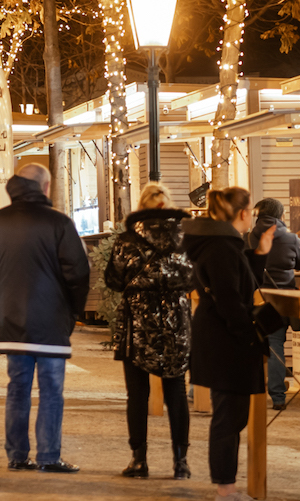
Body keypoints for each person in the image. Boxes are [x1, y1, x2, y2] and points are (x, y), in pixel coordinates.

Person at [0, 163, 90, 473]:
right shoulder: (59, 223)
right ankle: (49, 456)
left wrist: (8, 295)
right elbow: (78, 272)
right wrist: (72, 310)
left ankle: (17, 455)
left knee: (17, 388)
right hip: (52, 320)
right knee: (52, 390)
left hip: (14, 320)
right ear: (45, 187)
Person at [184, 185, 273, 498]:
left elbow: (242, 284)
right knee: (228, 416)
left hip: (221, 338)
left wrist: (259, 254)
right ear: (244, 213)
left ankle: (227, 486)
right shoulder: (221, 247)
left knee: (233, 414)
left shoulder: (222, 243)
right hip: (226, 341)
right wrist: (250, 335)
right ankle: (226, 488)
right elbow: (230, 300)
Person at [103, 182, 194, 480]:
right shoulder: (187, 238)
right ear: (168, 205)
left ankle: (139, 460)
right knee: (176, 391)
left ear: (141, 206)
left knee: (137, 394)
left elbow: (114, 279)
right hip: (175, 323)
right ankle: (180, 462)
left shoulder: (128, 239)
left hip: (138, 322)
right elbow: (195, 277)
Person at [247, 197, 300, 410]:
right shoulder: (290, 238)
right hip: (288, 299)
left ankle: (277, 396)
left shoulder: (249, 238)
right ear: (281, 215)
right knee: (299, 341)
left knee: (273, 345)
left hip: (262, 299)